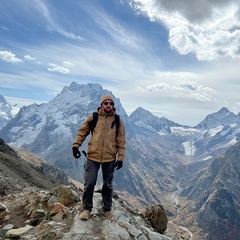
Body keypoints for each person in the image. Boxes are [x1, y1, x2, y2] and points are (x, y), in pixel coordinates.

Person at [72, 95, 126, 220]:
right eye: (105, 103)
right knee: (89, 183)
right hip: (92, 156)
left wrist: (121, 157)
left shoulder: (118, 120)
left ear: (113, 106)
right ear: (101, 105)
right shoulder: (94, 117)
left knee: (108, 185)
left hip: (109, 158)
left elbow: (121, 141)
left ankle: (107, 210)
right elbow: (82, 132)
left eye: (110, 103)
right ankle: (86, 209)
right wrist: (76, 146)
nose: (108, 105)